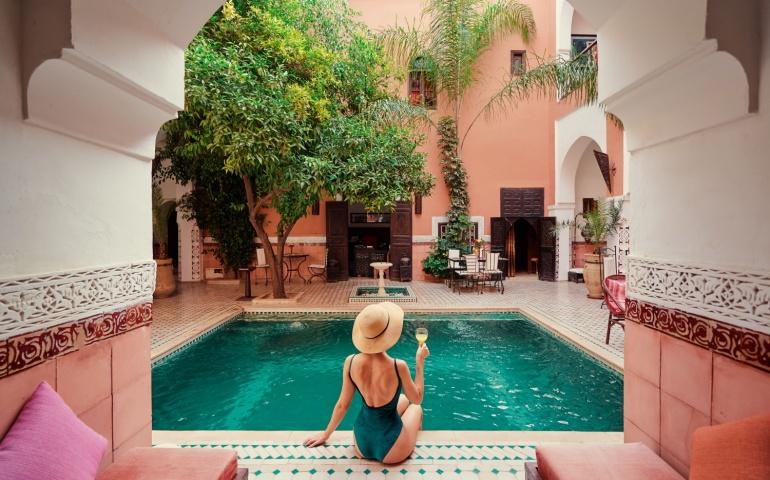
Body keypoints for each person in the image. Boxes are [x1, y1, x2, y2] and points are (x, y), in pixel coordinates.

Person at [303, 302, 429, 464]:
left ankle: (390, 438)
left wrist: (325, 434)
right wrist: (419, 361)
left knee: (403, 399)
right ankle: (406, 440)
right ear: (388, 333)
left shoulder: (350, 362)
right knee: (416, 408)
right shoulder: (398, 366)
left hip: (361, 444)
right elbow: (417, 398)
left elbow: (342, 405)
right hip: (392, 450)